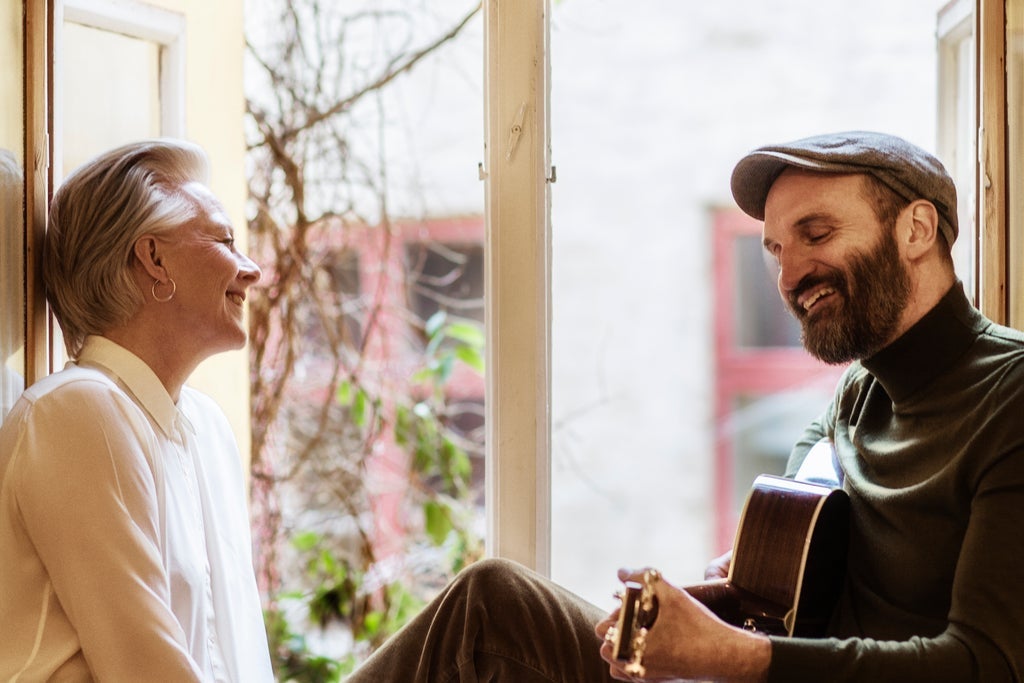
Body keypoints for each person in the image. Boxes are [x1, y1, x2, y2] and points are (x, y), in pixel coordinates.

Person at [345, 131, 1024, 682]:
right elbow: (781, 594)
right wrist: (692, 615)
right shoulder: (855, 397)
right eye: (775, 250)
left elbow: (990, 663)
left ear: (917, 229)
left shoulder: (1010, 395)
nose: (789, 277)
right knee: (491, 606)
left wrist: (729, 654)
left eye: (816, 235)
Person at [0, 140, 274, 681]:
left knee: (482, 603)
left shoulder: (207, 428)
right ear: (153, 259)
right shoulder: (75, 413)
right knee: (481, 607)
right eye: (224, 239)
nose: (252, 270)